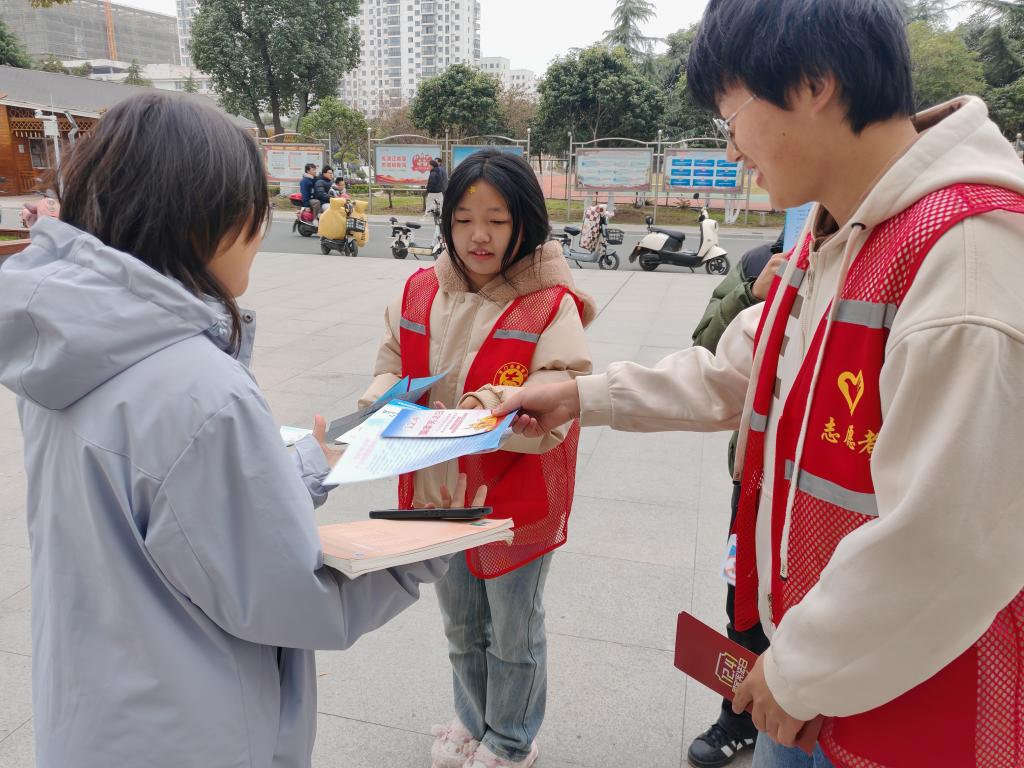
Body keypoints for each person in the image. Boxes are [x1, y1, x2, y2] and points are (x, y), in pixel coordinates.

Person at [496, 1, 1024, 766]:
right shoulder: (833, 235)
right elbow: (739, 374)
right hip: (806, 681)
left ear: (813, 83)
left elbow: (947, 538)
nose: (733, 147)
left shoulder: (967, 255)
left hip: (909, 713)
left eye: (731, 116)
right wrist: (579, 396)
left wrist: (800, 670)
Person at [0, 92, 464, 768]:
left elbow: (167, 503)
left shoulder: (65, 348)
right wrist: (425, 549)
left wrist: (303, 465)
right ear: (206, 218)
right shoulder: (203, 390)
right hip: (195, 729)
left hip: (95, 717)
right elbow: (287, 596)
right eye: (252, 210)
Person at [360, 149, 595, 768]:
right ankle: (471, 718)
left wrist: (480, 410)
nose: (478, 236)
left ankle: (512, 740)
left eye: (496, 219)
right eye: (463, 220)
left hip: (512, 498)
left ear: (525, 222)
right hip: (439, 493)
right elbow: (390, 362)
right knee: (462, 625)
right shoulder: (420, 290)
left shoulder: (550, 303)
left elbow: (557, 387)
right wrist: (380, 405)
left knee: (514, 631)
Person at [687, 235, 786, 768]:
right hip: (752, 479)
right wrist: (750, 292)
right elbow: (703, 349)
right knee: (743, 604)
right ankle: (738, 717)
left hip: (829, 485)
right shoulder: (755, 262)